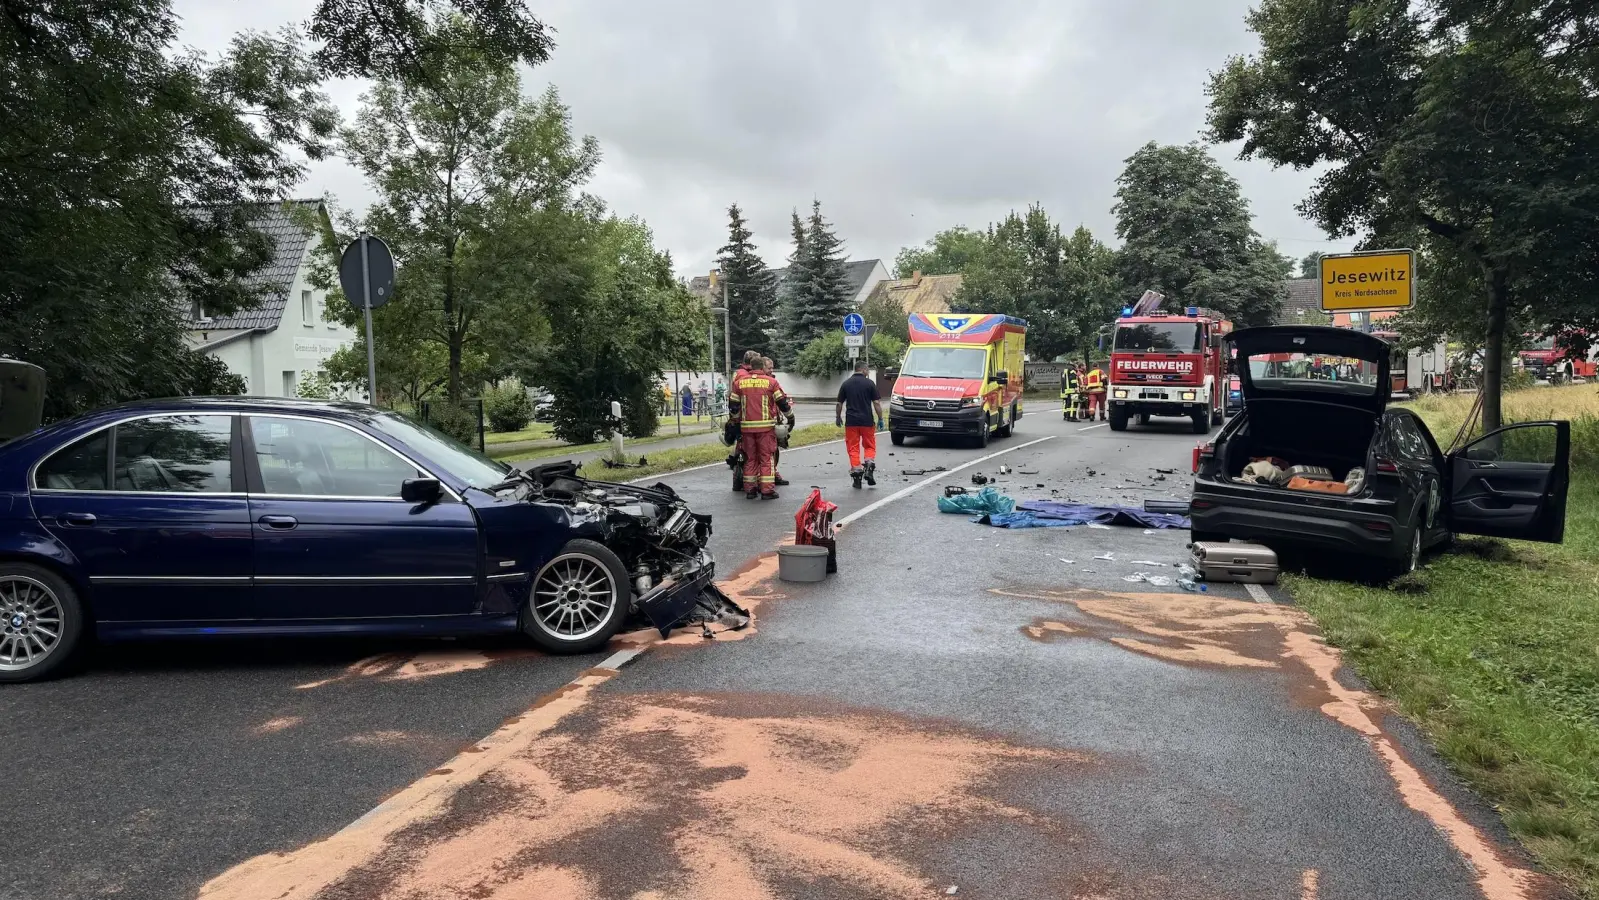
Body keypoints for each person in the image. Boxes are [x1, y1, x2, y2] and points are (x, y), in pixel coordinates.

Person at [729, 356, 792, 499]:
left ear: (750, 367)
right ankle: (767, 491)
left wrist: (735, 420)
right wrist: (790, 416)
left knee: (750, 459)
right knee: (766, 458)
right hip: (765, 429)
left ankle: (750, 491)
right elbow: (782, 402)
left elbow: (733, 406)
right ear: (762, 367)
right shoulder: (771, 382)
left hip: (746, 429)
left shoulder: (739, 383)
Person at [835, 360, 883, 489]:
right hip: (867, 421)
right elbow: (876, 403)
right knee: (869, 446)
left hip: (851, 422)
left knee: (853, 448)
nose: (868, 373)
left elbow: (839, 404)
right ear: (863, 370)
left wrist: (838, 417)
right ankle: (869, 464)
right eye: (867, 370)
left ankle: (856, 474)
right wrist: (881, 418)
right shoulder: (870, 384)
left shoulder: (846, 384)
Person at [761, 357, 795, 486]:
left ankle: (773, 473)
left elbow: (781, 397)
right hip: (766, 421)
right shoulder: (766, 382)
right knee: (768, 450)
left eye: (772, 367)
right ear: (762, 368)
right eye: (769, 368)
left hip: (774, 418)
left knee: (775, 449)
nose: (771, 370)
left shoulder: (773, 380)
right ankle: (768, 477)